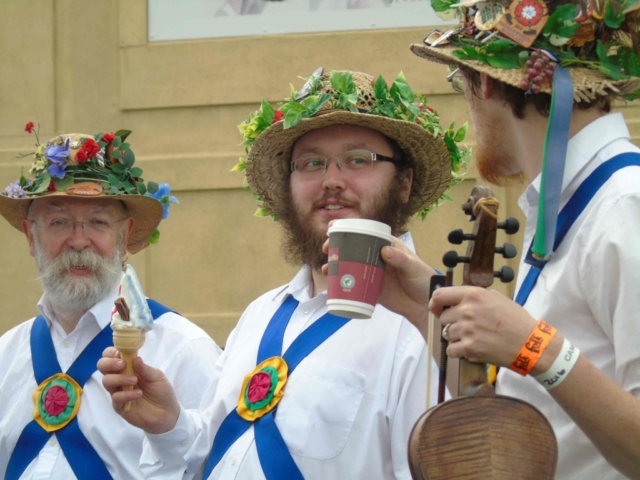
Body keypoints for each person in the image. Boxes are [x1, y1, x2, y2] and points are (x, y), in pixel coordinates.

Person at [97, 68, 467, 479]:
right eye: (310, 163)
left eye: (358, 160)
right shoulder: (262, 312)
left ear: (404, 182)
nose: (331, 180)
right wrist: (169, 424)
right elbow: (212, 453)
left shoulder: (431, 327)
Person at [369, 3, 640, 478]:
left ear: (488, 82)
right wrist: (424, 304)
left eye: (460, 80)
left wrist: (536, 347)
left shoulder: (624, 205)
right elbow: (536, 403)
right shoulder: (571, 204)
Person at [0, 127, 222, 480]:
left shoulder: (184, 349)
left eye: (98, 222)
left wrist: (171, 429)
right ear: (31, 235)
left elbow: (222, 467)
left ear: (123, 237)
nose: (78, 240)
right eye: (58, 222)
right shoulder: (6, 355)